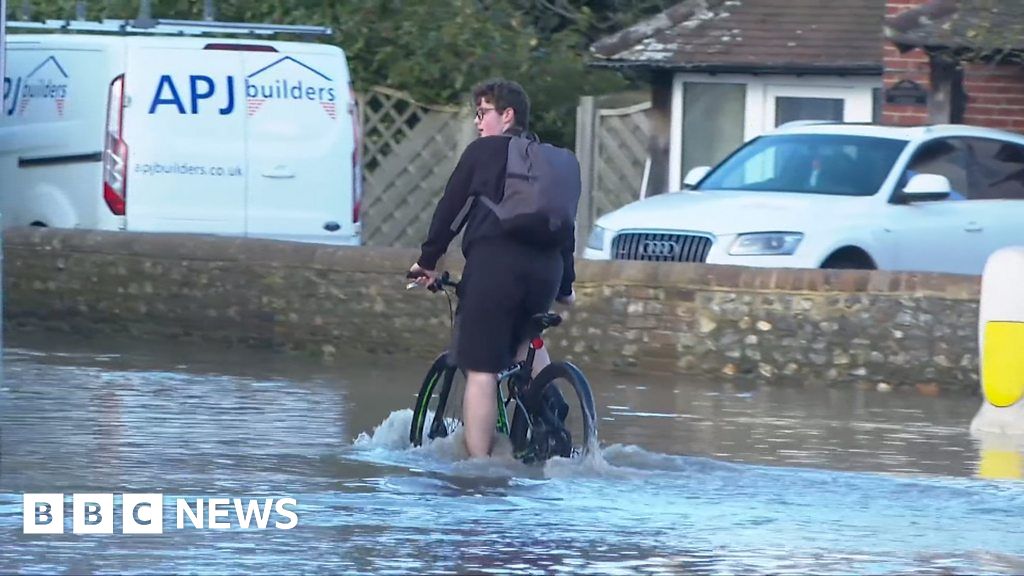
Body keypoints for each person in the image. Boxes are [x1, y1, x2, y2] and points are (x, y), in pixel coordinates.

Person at [407, 79, 577, 458]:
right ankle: (550, 415)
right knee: (525, 340)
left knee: (482, 369)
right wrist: (566, 287)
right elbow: (565, 227)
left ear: (507, 115)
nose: (477, 122)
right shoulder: (556, 162)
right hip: (545, 274)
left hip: (496, 269)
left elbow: (451, 211)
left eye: (483, 113)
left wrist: (427, 262)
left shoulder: (484, 153)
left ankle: (479, 470)